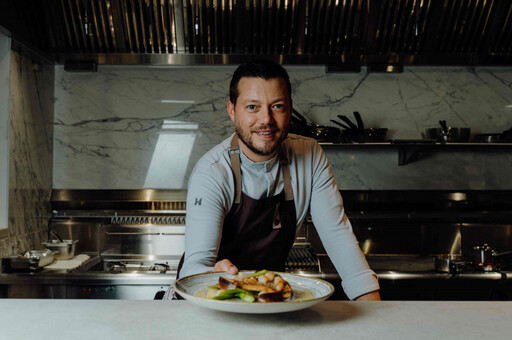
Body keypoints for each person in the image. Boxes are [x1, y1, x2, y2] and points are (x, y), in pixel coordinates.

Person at [174, 59, 380, 301]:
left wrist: (372, 310)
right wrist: (209, 276)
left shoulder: (310, 155)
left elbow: (337, 234)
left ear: (290, 109)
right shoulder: (212, 171)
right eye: (252, 107)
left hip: (269, 301)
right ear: (232, 111)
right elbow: (195, 266)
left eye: (277, 106)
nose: (266, 120)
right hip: (214, 300)